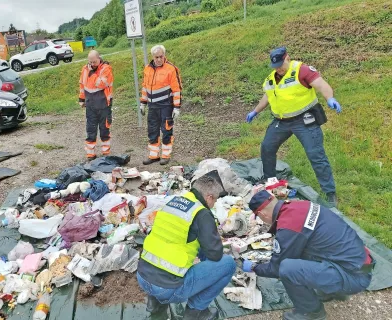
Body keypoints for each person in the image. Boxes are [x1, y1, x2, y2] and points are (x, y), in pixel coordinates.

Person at [243, 190, 374, 320]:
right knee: (300, 250)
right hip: (359, 264)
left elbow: (275, 269)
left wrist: (254, 267)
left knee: (287, 268)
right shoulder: (300, 205)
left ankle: (312, 312)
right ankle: (335, 291)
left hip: (353, 276)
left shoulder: (288, 226)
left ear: (261, 214)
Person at [245, 47, 342, 207]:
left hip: (304, 120)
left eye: (281, 65)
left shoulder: (302, 71)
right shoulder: (271, 78)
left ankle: (329, 191)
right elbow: (268, 96)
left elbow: (321, 85)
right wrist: (255, 111)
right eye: (275, 66)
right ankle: (270, 182)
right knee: (267, 147)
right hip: (281, 121)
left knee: (315, 154)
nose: (278, 69)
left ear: (287, 58)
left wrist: (330, 98)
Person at [137, 170, 236, 320]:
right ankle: (196, 313)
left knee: (164, 253)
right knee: (228, 264)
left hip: (143, 277)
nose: (213, 204)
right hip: (167, 289)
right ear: (209, 197)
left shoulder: (173, 202)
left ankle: (155, 304)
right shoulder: (202, 214)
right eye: (214, 200)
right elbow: (215, 254)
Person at [140, 45, 182, 166]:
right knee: (152, 130)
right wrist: (143, 103)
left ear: (164, 55)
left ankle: (165, 155)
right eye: (156, 57)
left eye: (161, 56)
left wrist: (177, 107)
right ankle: (153, 155)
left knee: (166, 130)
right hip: (152, 106)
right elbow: (145, 87)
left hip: (166, 105)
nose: (159, 59)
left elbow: (177, 89)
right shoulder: (147, 68)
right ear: (153, 57)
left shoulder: (171, 69)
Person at [79, 50, 114, 160]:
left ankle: (106, 153)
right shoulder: (85, 69)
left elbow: (101, 84)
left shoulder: (106, 69)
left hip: (104, 105)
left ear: (99, 59)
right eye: (90, 62)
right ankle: (90, 154)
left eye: (94, 62)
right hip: (90, 105)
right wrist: (81, 99)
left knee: (104, 129)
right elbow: (82, 85)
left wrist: (92, 73)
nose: (92, 64)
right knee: (90, 129)